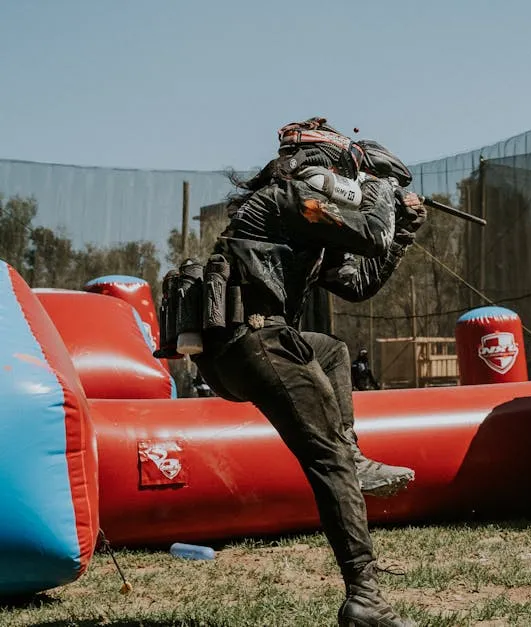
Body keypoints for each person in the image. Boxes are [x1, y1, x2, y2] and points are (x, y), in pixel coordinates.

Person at [174, 117, 423, 626]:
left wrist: (402, 238)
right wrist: (382, 186)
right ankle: (366, 599)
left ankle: (350, 454)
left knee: (330, 350)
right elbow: (373, 230)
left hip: (243, 350)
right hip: (257, 342)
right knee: (327, 463)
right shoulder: (289, 198)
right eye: (339, 170)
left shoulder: (303, 221)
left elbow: (357, 283)